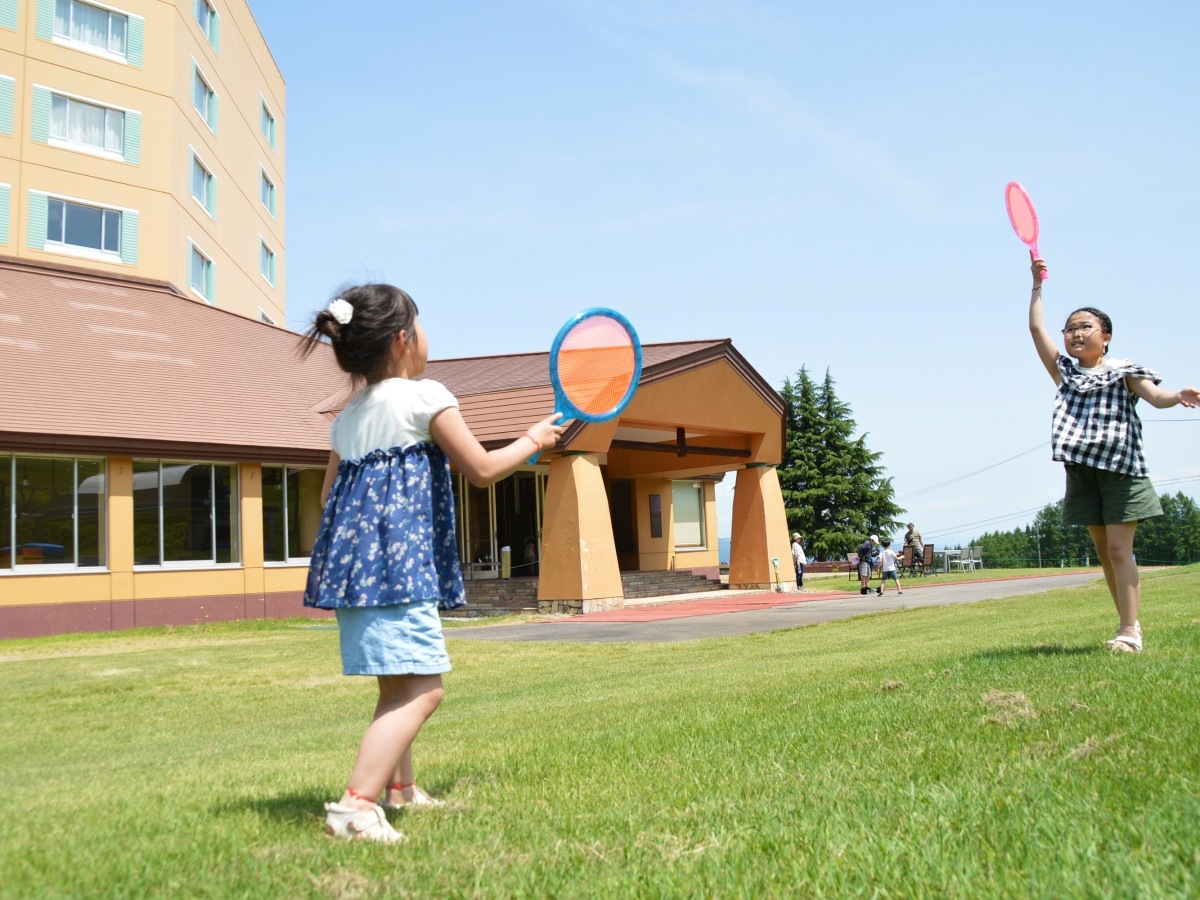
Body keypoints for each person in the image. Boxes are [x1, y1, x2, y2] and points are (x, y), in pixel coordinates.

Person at [299, 284, 564, 842]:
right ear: (403, 339)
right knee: (424, 691)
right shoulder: (425, 396)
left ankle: (401, 789)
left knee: (395, 689)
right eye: (419, 325)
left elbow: (328, 498)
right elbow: (482, 469)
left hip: (358, 581)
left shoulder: (346, 419)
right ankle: (355, 806)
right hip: (402, 576)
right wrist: (534, 438)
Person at [1027, 255, 1198, 653]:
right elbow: (1036, 328)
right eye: (1070, 329)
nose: (1075, 333)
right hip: (1082, 471)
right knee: (1105, 553)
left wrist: (1178, 395)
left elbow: (1156, 397)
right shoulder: (1066, 373)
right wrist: (1037, 284)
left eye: (1084, 327)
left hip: (1122, 469)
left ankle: (1129, 632)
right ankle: (1128, 625)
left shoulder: (1124, 369)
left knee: (1120, 550)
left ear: (1105, 336)